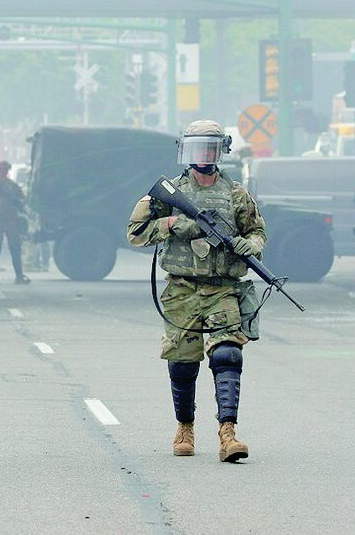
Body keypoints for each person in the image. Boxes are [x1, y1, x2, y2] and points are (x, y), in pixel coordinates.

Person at [126, 119, 266, 463]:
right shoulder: (171, 192)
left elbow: (258, 232)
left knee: (227, 355)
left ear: (222, 151)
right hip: (182, 290)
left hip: (223, 289)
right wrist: (174, 223)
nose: (203, 156)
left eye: (210, 148)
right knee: (183, 363)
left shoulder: (237, 195)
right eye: (197, 148)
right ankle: (185, 427)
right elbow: (135, 232)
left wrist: (250, 245)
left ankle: (228, 433)